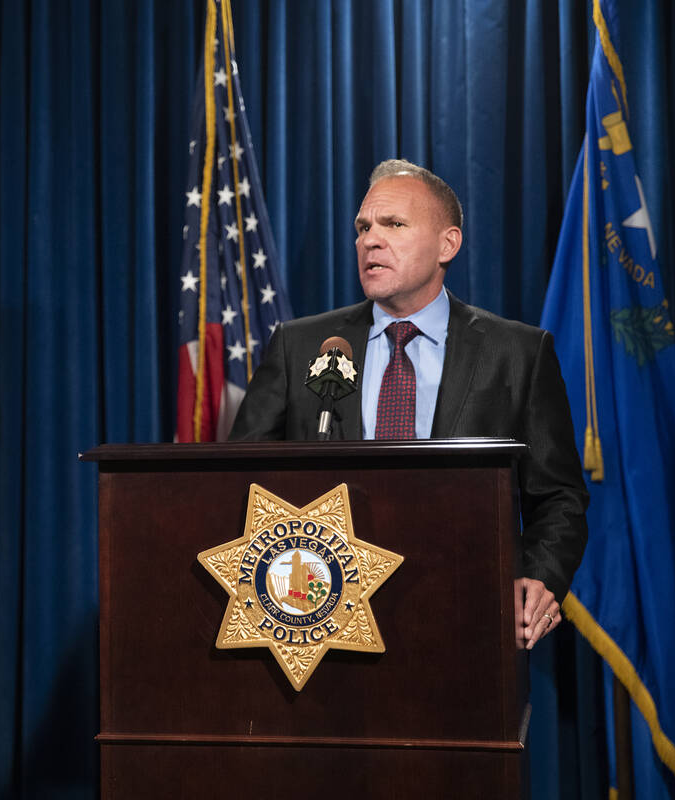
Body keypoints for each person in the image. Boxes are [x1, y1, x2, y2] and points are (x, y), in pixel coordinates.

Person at [230, 158, 587, 651]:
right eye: (363, 227)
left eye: (393, 224)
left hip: (466, 621)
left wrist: (540, 577)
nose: (370, 240)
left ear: (448, 244)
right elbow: (240, 481)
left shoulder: (518, 354)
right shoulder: (301, 345)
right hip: (321, 627)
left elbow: (559, 498)